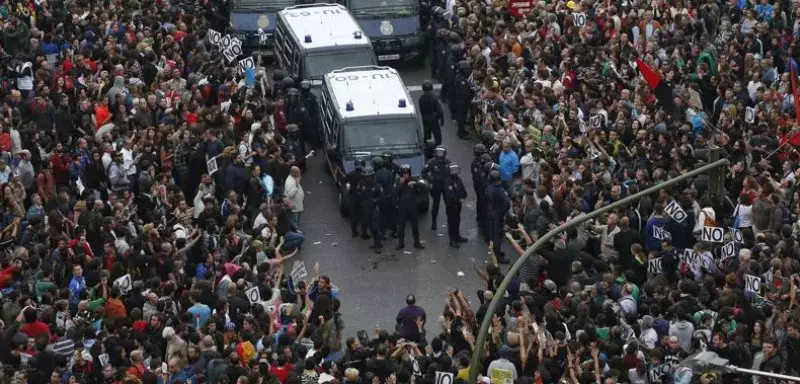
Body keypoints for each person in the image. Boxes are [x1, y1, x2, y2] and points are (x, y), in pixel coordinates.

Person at [395, 165, 425, 251]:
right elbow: (395, 192)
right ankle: (401, 243)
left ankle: (417, 242)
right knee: (401, 226)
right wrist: (401, 184)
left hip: (412, 205)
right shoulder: (398, 181)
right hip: (402, 206)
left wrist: (416, 183)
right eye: (404, 173)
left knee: (414, 225)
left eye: (407, 173)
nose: (406, 175)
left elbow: (424, 187)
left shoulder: (414, 180)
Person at [422, 146, 451, 230]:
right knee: (436, 204)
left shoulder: (448, 162)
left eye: (442, 153)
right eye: (438, 153)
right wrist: (429, 180)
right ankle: (434, 222)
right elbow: (423, 172)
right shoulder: (432, 162)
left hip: (446, 186)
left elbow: (452, 172)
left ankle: (450, 221)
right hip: (436, 186)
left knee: (448, 204)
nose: (440, 155)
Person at [485, 170, 509, 263]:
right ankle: (497, 255)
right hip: (498, 214)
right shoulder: (499, 189)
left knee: (493, 234)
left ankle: (495, 251)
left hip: (491, 212)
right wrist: (503, 212)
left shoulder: (488, 188)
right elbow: (507, 202)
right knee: (498, 235)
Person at [358, 166, 383, 253]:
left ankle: (379, 245)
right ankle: (375, 243)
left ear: (372, 176)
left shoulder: (377, 186)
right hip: (366, 209)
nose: (367, 179)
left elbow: (382, 197)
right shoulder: (362, 184)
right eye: (366, 177)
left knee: (375, 227)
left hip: (374, 209)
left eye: (369, 177)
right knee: (370, 228)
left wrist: (375, 201)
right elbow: (359, 194)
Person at [443, 163, 468, 248]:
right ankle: (452, 240)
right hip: (451, 206)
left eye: (455, 170)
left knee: (457, 220)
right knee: (452, 222)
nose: (454, 172)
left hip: (458, 205)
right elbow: (449, 194)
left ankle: (457, 236)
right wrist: (457, 199)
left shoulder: (458, 179)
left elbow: (463, 190)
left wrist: (463, 197)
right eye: (452, 170)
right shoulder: (448, 181)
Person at [418, 80, 444, 146]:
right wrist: (442, 119)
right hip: (434, 120)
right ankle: (437, 149)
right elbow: (440, 110)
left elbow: (421, 110)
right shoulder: (434, 97)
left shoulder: (421, 98)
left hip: (425, 119)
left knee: (427, 137)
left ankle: (427, 149)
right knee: (438, 137)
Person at [346, 157, 366, 238]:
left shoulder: (350, 174)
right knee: (363, 216)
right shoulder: (365, 174)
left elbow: (345, 181)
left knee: (354, 216)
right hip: (363, 197)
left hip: (353, 197)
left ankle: (354, 232)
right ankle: (363, 233)